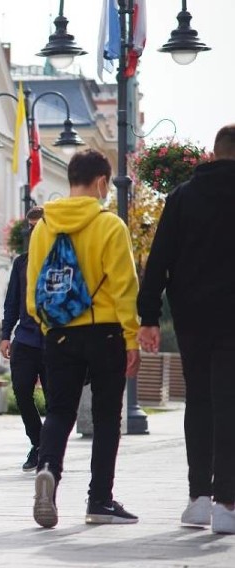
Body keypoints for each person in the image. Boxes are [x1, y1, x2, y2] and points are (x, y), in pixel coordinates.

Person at [26, 149, 141, 528]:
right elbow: (124, 286)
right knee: (108, 417)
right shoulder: (110, 225)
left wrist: (47, 328)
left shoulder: (44, 226)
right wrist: (131, 338)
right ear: (102, 182)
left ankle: (47, 469)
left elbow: (33, 291)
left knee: (60, 411)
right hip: (105, 331)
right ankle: (99, 501)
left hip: (58, 333)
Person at [137, 125, 235, 534]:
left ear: (212, 154)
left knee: (198, 402)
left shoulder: (181, 197)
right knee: (230, 405)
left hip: (192, 317)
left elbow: (159, 259)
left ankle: (197, 499)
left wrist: (148, 317)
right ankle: (227, 504)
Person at [0, 208, 48, 472]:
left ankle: (49, 451)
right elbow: (12, 302)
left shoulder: (58, 260)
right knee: (21, 391)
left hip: (54, 342)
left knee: (55, 400)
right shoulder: (21, 263)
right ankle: (38, 443)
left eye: (37, 225)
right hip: (26, 340)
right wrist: (5, 335)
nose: (33, 231)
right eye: (29, 227)